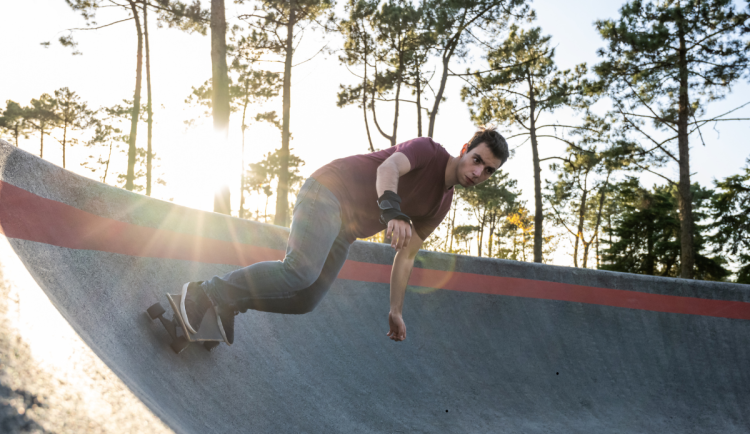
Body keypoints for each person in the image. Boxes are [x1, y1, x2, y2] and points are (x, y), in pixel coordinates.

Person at [180, 126, 509, 345]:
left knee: (306, 299)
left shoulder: (441, 204)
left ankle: (230, 300)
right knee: (300, 271)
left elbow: (406, 255)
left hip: (345, 230)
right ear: (466, 149)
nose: (478, 173)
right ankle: (205, 292)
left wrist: (396, 308)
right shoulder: (428, 151)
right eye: (477, 160)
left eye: (488, 170)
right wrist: (393, 212)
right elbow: (388, 169)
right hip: (328, 191)